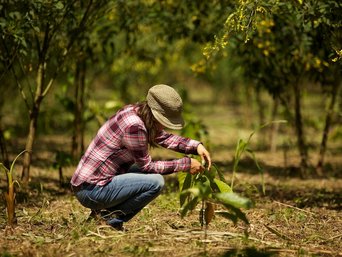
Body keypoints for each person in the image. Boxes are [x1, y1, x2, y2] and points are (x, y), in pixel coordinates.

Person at [70, 84, 211, 230]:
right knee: (155, 182)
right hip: (92, 189)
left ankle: (100, 217)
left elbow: (163, 138)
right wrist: (185, 164)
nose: (165, 126)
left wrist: (196, 146)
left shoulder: (135, 111)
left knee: (144, 174)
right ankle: (108, 220)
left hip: (89, 183)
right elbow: (148, 166)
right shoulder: (135, 126)